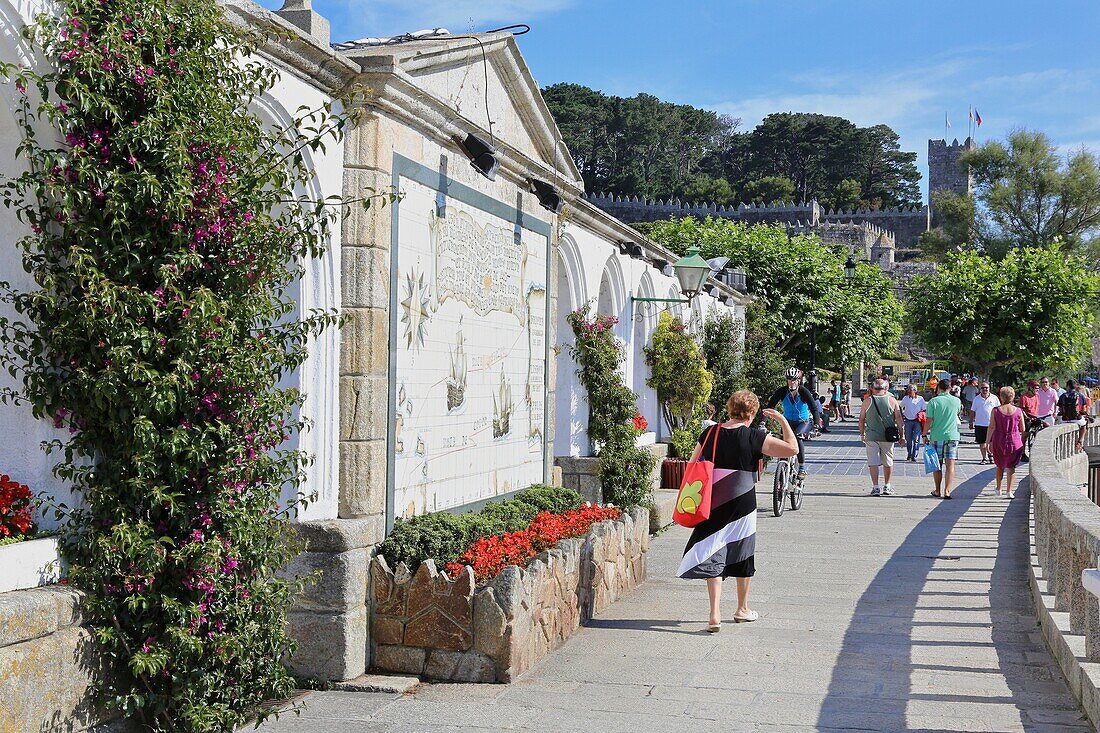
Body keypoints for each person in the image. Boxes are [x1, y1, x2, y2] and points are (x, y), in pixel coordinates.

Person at [678, 390, 800, 631]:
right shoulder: (755, 436)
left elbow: (693, 464)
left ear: (730, 408)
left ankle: (714, 613)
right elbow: (792, 448)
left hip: (714, 498)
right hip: (743, 500)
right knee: (743, 550)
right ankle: (742, 609)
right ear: (752, 413)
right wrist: (783, 420)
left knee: (713, 548)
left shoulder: (710, 433)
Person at [767, 367, 822, 484]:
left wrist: (816, 425)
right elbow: (769, 407)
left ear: (799, 381)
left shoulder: (803, 392)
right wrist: (763, 422)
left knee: (798, 437)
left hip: (803, 422)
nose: (792, 382)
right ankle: (781, 472)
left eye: (794, 380)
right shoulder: (782, 391)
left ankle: (802, 468)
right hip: (787, 422)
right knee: (782, 443)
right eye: (789, 380)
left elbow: (814, 408)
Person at [859, 379, 906, 496]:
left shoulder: (867, 401)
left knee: (873, 462)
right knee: (888, 461)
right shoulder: (892, 400)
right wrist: (902, 435)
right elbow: (899, 419)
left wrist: (862, 433)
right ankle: (887, 486)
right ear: (886, 388)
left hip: (871, 436)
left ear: (872, 388)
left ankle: (875, 487)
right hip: (888, 436)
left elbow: (861, 419)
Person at [924, 378, 962, 499]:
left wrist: (924, 434)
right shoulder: (957, 401)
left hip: (937, 435)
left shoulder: (933, 401)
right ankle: (947, 490)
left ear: (938, 388)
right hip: (952, 436)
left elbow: (929, 420)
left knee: (937, 464)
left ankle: (937, 490)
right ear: (950, 388)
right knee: (950, 465)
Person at [987, 385, 1026, 498]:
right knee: (1011, 466)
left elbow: (991, 427)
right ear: (1012, 397)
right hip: (1014, 441)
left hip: (999, 440)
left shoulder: (996, 410)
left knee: (999, 465)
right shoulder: (1018, 411)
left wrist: (987, 441)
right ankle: (1009, 491)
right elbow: (1022, 428)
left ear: (1001, 397)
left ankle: (999, 488)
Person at [970, 382, 1000, 464]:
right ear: (980, 389)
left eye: (986, 388)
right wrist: (971, 422)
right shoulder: (976, 399)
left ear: (989, 388)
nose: (985, 389)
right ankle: (984, 458)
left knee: (991, 442)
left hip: (991, 425)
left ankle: (991, 456)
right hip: (979, 424)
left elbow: (998, 410)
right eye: (983, 388)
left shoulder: (994, 398)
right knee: (982, 443)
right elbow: (972, 411)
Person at [1057, 379, 1090, 451]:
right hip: (1077, 419)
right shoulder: (1080, 395)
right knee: (1084, 424)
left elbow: (1060, 409)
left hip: (1065, 419)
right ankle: (1080, 441)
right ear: (1075, 386)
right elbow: (1083, 410)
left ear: (1068, 386)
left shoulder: (1063, 395)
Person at [901, 383, 926, 462]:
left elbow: (924, 409)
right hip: (908, 420)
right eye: (908, 389)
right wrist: (902, 415)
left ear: (915, 391)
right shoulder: (905, 398)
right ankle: (909, 453)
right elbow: (900, 407)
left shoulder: (920, 399)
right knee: (908, 439)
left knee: (916, 439)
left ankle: (914, 455)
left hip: (917, 421)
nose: (909, 391)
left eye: (910, 389)